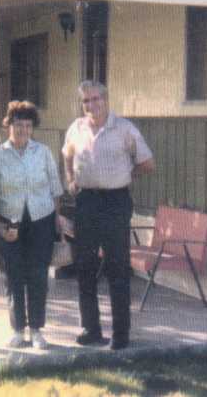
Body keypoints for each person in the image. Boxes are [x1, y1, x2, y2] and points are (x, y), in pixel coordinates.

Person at [62, 80, 155, 350]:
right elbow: (67, 155)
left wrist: (125, 175)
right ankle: (90, 329)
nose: (91, 105)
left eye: (96, 99)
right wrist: (70, 179)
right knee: (85, 266)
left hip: (115, 202)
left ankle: (120, 334)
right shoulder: (76, 128)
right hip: (86, 201)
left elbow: (148, 163)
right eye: (86, 100)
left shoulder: (125, 129)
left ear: (106, 99)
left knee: (117, 268)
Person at [0, 100, 63, 349]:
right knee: (13, 276)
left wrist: (56, 220)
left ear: (32, 128)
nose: (23, 130)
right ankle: (17, 330)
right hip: (9, 222)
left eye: (28, 125)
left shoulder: (42, 152)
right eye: (18, 125)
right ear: (8, 126)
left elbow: (55, 189)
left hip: (41, 220)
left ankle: (36, 330)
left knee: (38, 276)